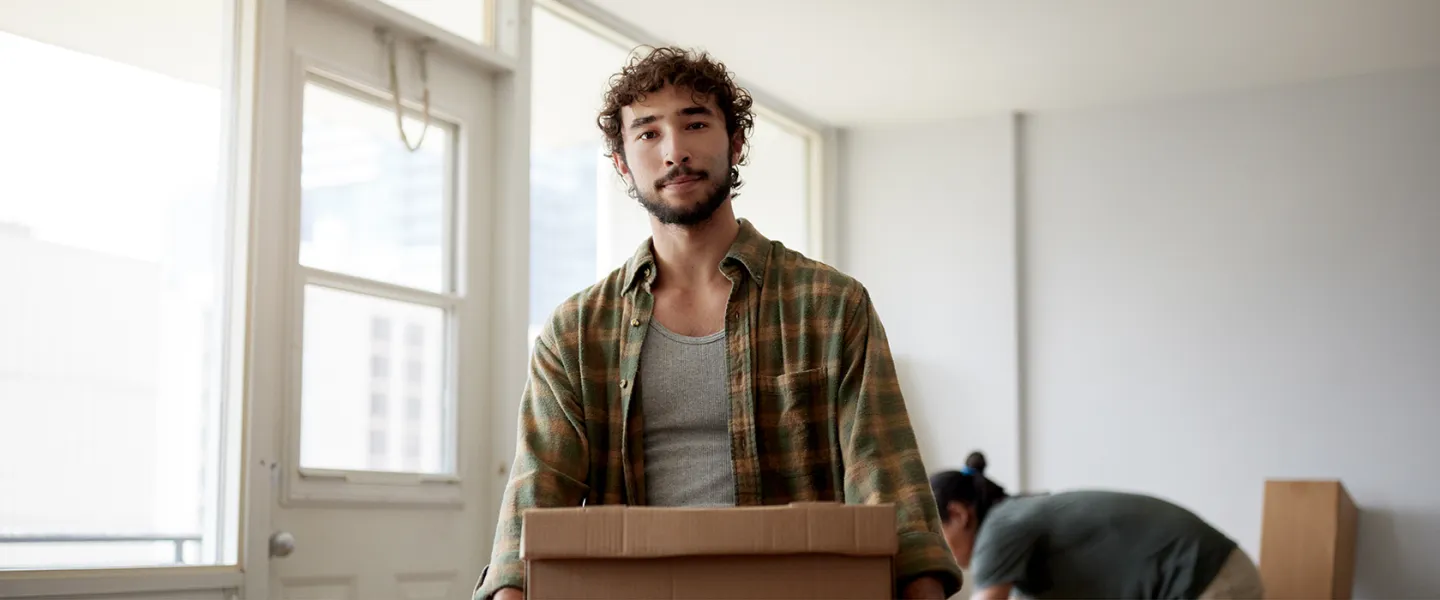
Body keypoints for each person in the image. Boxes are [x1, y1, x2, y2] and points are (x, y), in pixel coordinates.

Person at [472, 47, 962, 600]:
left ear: (735, 143)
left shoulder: (829, 305)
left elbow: (886, 474)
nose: (675, 150)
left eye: (695, 123)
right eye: (648, 133)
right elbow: (538, 490)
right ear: (621, 163)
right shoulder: (576, 332)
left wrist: (923, 587)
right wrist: (508, 590)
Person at [930, 452, 1265, 600]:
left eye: (933, 533)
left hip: (1208, 579)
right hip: (1210, 575)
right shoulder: (1016, 541)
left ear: (959, 515)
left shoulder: (999, 529)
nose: (932, 551)